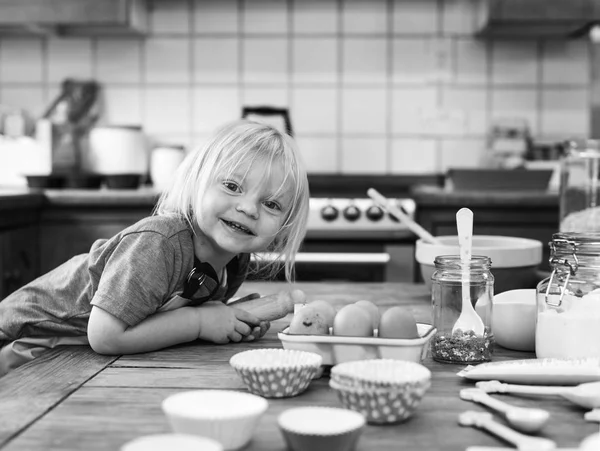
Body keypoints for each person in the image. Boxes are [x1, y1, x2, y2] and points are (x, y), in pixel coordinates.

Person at [0, 120, 310, 377]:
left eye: (271, 204)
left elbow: (165, 323)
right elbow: (105, 335)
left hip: (81, 357)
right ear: (196, 182)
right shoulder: (159, 243)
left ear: (286, 223)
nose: (248, 208)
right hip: (27, 345)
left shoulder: (234, 262)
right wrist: (201, 323)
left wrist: (228, 320)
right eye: (232, 186)